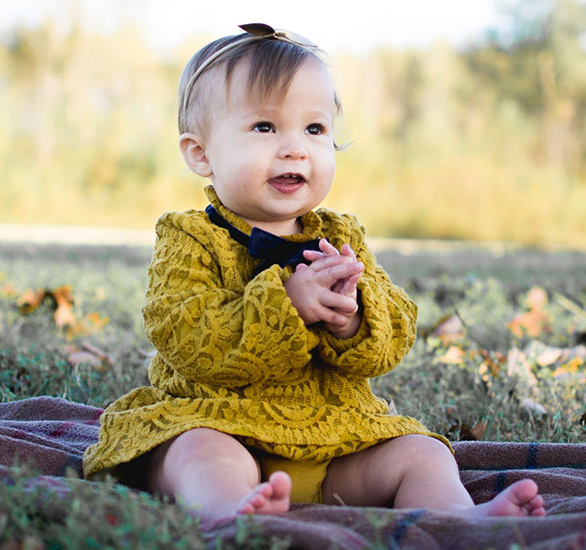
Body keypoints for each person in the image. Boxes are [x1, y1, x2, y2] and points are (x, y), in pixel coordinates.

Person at [82, 23, 545, 525]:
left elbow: (398, 329)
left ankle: (456, 519)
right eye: (265, 127)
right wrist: (286, 305)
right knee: (193, 453)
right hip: (222, 424)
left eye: (315, 129)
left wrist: (354, 317)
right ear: (201, 154)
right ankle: (231, 515)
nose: (295, 148)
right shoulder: (190, 239)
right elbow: (182, 331)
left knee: (422, 453)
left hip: (337, 441)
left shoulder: (342, 236)